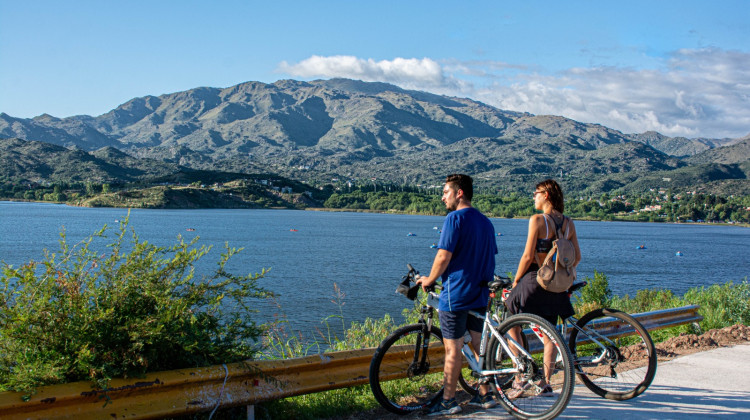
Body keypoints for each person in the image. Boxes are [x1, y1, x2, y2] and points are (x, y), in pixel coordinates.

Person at [416, 174, 498, 415]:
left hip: (456, 294)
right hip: (480, 293)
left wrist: (428, 280)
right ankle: (485, 394)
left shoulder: (454, 218)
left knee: (453, 349)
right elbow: (490, 256)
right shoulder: (486, 222)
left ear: (459, 192)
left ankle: (449, 402)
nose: (442, 197)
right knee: (477, 346)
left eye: (445, 192)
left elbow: (443, 256)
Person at [505, 179, 581, 398]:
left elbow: (528, 256)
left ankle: (521, 377)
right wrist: (559, 274)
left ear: (546, 195)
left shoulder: (538, 220)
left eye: (536, 193)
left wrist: (516, 281)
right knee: (550, 334)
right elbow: (577, 257)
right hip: (556, 287)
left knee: (511, 321)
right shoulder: (569, 224)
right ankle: (546, 382)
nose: (533, 197)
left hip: (535, 281)